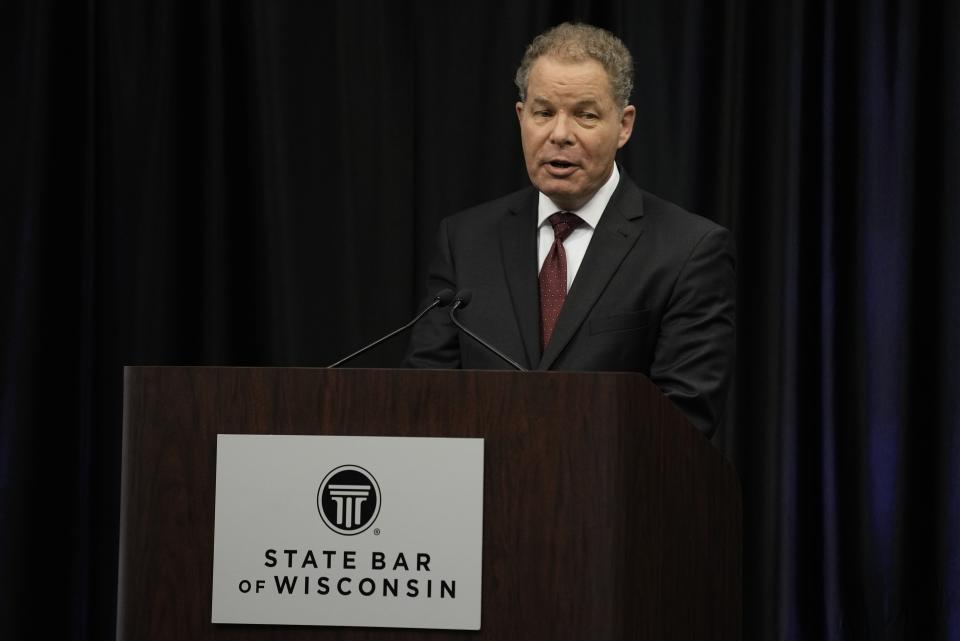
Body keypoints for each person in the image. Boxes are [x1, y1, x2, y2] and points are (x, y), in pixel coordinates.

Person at [404, 22, 735, 437]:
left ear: (625, 125)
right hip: (479, 494)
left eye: (585, 115)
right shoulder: (465, 240)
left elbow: (684, 417)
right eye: (544, 113)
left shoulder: (689, 250)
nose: (560, 135)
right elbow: (422, 395)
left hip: (611, 495)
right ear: (521, 117)